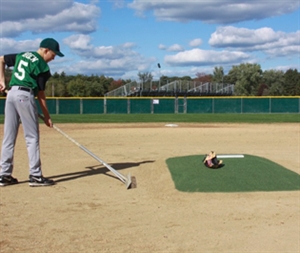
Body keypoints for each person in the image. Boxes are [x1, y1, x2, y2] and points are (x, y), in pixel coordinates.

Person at [0, 38, 64, 187]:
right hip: (25, 95)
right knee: (32, 137)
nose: (52, 59)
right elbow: (41, 95)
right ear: (45, 50)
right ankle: (35, 175)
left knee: (9, 137)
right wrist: (47, 117)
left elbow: (1, 59)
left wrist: (2, 81)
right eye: (53, 55)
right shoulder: (42, 66)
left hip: (11, 95)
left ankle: (4, 175)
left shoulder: (22, 55)